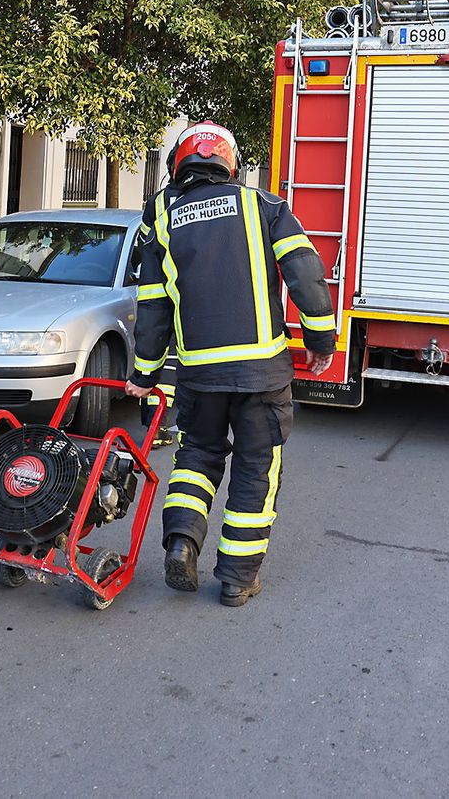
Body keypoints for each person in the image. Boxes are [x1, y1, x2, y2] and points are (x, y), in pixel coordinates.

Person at [124, 121, 336, 608]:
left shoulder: (162, 215)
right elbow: (305, 273)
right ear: (231, 164)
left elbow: (153, 303)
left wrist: (145, 374)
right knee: (256, 468)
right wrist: (320, 339)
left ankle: (182, 542)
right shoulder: (265, 206)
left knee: (196, 456)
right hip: (263, 373)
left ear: (178, 164)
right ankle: (238, 579)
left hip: (200, 374)